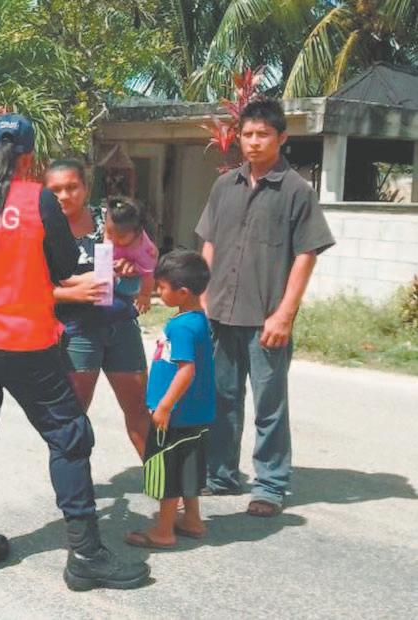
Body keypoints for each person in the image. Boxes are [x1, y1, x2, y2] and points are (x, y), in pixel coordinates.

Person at [0, 114, 149, 591]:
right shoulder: (36, 200)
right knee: (68, 436)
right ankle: (85, 555)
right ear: (29, 159)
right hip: (22, 339)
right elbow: (63, 267)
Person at [195, 99, 335, 517]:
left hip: (266, 319)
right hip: (220, 312)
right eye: (248, 134)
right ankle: (220, 474)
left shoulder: (296, 191)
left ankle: (271, 485)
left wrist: (284, 315)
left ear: (281, 138)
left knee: (269, 405)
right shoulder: (224, 186)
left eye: (263, 134)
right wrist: (202, 294)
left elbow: (306, 254)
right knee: (222, 398)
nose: (254, 142)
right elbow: (209, 241)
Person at [45, 161, 151, 458]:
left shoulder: (112, 220)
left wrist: (132, 268)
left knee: (140, 410)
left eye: (72, 187)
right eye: (55, 190)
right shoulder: (40, 231)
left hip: (122, 327)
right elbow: (26, 289)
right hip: (76, 334)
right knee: (73, 416)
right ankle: (74, 484)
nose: (64, 195)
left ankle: (163, 482)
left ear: (86, 187)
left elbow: (146, 256)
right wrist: (71, 294)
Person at [125, 250, 214, 549]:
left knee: (168, 470)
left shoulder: (182, 327)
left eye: (162, 287)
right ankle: (192, 520)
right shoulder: (197, 319)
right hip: (195, 414)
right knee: (187, 467)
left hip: (174, 415)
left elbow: (186, 370)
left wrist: (164, 406)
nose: (158, 291)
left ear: (183, 292)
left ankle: (163, 530)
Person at [104, 197, 157, 315]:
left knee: (121, 303)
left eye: (121, 237)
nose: (114, 240)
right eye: (109, 233)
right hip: (109, 277)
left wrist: (145, 295)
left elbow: (149, 275)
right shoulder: (112, 233)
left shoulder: (142, 250)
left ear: (137, 233)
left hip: (130, 282)